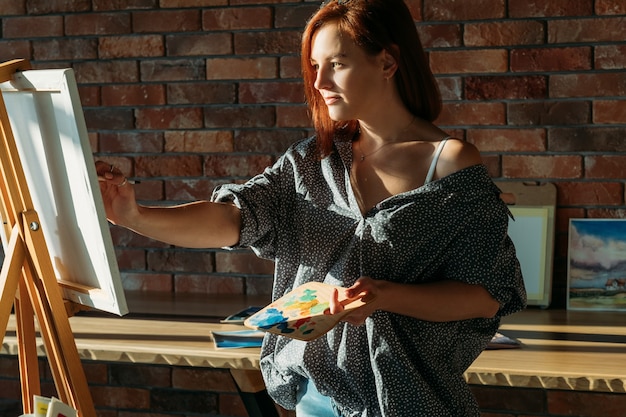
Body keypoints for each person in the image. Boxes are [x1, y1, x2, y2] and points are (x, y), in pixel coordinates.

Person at [96, 0, 526, 415]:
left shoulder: (450, 163)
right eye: (315, 67)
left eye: (337, 64)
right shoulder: (309, 162)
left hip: (411, 399)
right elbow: (232, 219)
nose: (320, 82)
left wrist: (384, 296)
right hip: (317, 399)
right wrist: (135, 216)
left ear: (387, 63)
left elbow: (484, 296)